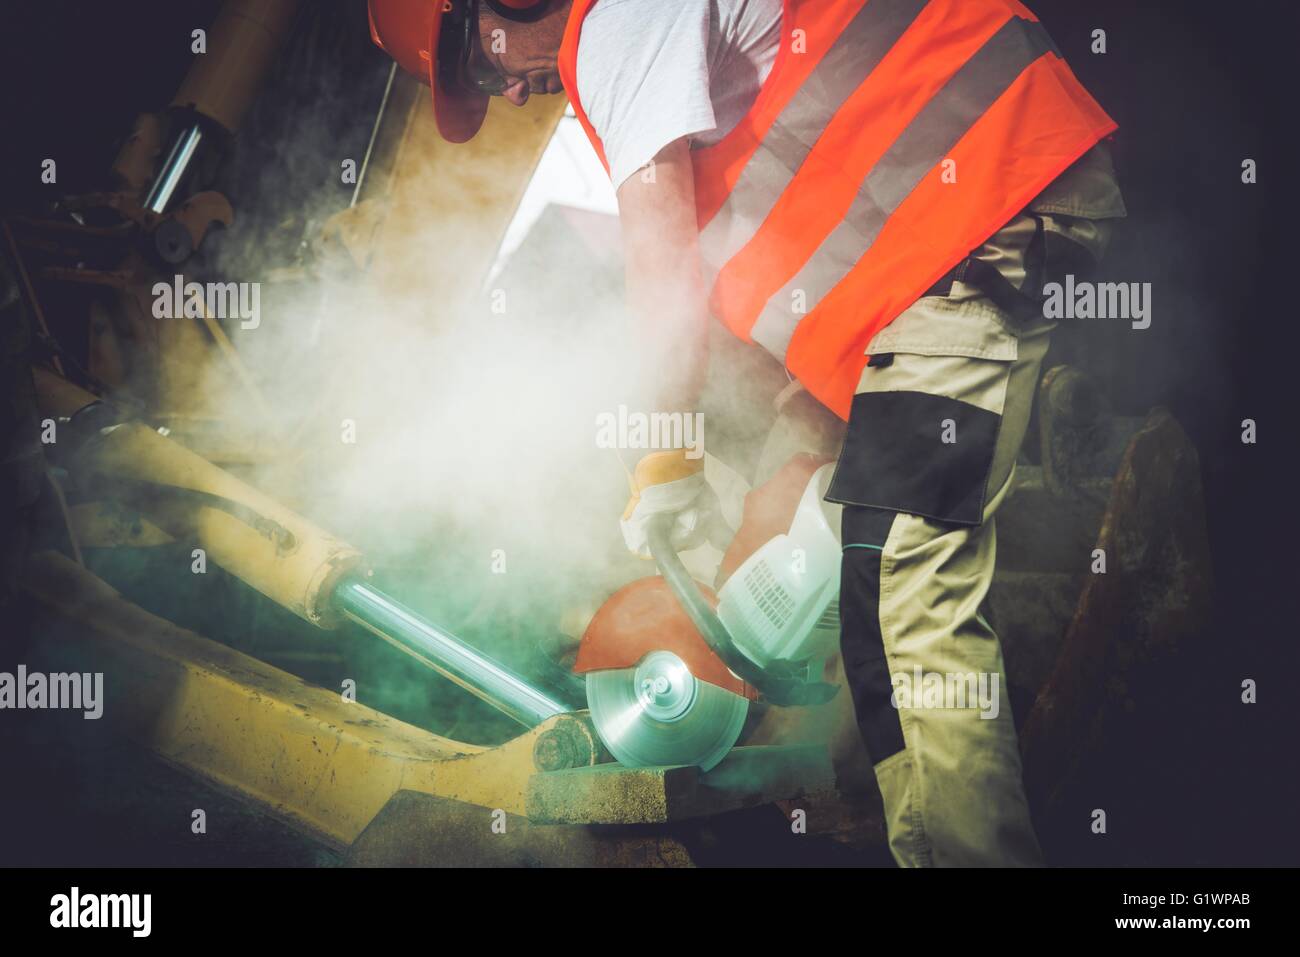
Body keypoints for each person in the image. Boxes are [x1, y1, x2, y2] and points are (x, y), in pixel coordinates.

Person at [367, 0, 1127, 866]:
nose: (505, 91)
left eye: (478, 65)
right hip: (957, 230)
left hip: (983, 194)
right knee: (874, 602)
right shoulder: (653, 50)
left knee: (913, 598)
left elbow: (662, 290)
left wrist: (664, 465)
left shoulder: (614, 23)